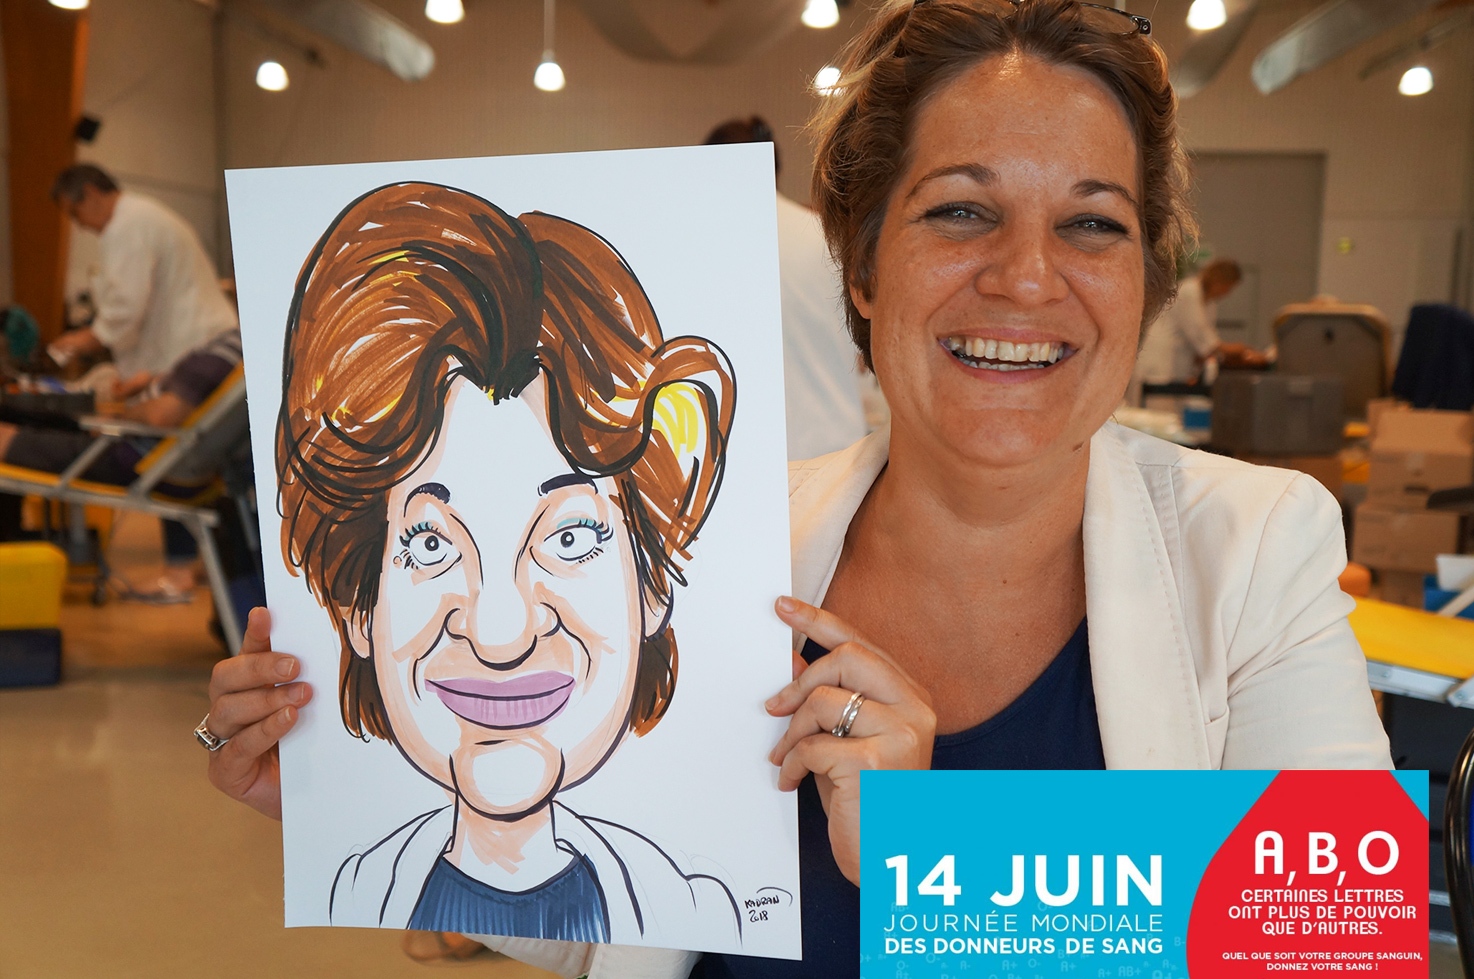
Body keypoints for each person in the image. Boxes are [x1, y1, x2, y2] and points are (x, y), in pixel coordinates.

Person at [206, 3, 1392, 977]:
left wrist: (935, 862)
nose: (1027, 278)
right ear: (863, 265)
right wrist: (373, 800)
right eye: (961, 211)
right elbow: (631, 924)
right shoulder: (729, 542)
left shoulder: (1253, 543)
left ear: (1145, 277)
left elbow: (1335, 931)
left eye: (1092, 224)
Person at [204, 183, 739, 973]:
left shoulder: (771, 590)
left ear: (655, 577)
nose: (498, 631)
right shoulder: (782, 551)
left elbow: (947, 948)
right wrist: (331, 800)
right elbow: (618, 955)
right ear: (357, 604)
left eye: (569, 535)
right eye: (428, 543)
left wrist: (908, 841)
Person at [704, 116, 876, 459]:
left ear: (708, 169)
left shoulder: (705, 250)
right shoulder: (827, 237)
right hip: (839, 448)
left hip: (749, 456)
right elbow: (862, 349)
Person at [0, 328, 242, 539]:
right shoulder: (237, 349)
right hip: (149, 451)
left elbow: (162, 415)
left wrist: (118, 419)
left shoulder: (223, 354)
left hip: (128, 452)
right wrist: (152, 382)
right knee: (27, 418)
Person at [47, 164, 237, 383]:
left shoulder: (126, 225)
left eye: (75, 213)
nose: (80, 225)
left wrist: (88, 338)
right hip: (203, 344)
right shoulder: (138, 215)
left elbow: (127, 303)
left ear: (90, 193)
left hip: (197, 347)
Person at [1135, 257, 1268, 385]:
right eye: (1228, 287)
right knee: (1159, 399)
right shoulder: (1189, 292)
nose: (1227, 293)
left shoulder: (1209, 302)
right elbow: (1201, 337)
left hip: (1179, 365)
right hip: (1161, 362)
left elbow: (1207, 341)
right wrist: (1239, 349)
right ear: (1219, 281)